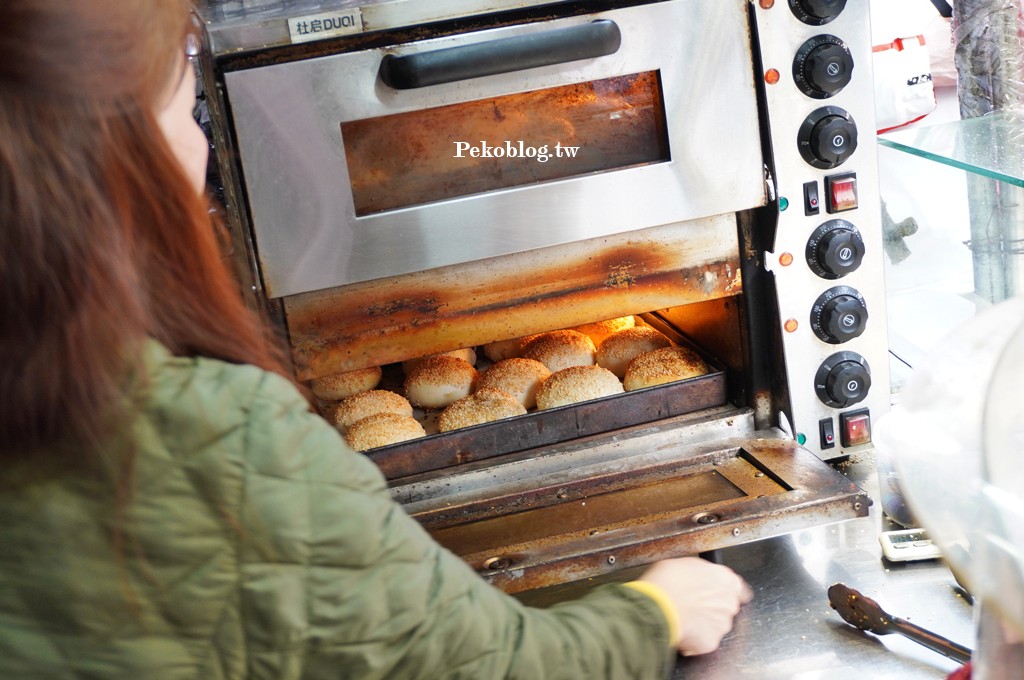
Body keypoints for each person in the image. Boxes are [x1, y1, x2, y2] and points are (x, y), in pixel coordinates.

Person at [0, 1, 752, 677]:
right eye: (187, 105)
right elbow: (490, 665)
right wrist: (656, 613)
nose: (201, 151)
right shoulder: (207, 435)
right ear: (111, 163)